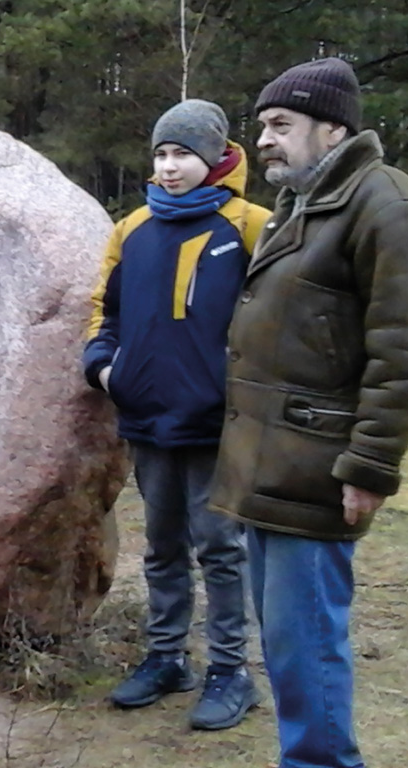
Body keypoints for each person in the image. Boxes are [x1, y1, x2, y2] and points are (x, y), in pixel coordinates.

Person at [210, 58, 408, 768]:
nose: (264, 140)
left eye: (280, 126)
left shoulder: (387, 206)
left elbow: (403, 350)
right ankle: (302, 758)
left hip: (317, 462)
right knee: (281, 631)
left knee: (307, 629)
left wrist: (371, 466)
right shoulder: (306, 201)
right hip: (270, 459)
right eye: (264, 125)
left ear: (332, 128)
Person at [82, 100, 270, 730]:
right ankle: (166, 658)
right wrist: (105, 369)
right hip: (148, 415)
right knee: (162, 546)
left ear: (216, 157)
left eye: (183, 154)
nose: (169, 166)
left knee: (220, 547)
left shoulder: (252, 226)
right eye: (161, 154)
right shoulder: (131, 228)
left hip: (221, 422)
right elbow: (103, 310)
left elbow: (276, 318)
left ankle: (229, 672)